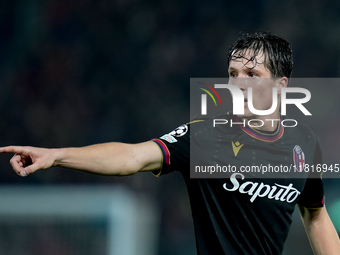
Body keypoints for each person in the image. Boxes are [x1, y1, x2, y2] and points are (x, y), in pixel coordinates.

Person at [0, 32, 339, 255]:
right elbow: (132, 156)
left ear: (281, 86)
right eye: (233, 74)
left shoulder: (303, 144)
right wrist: (57, 155)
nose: (239, 84)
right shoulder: (206, 136)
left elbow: (316, 215)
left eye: (252, 76)